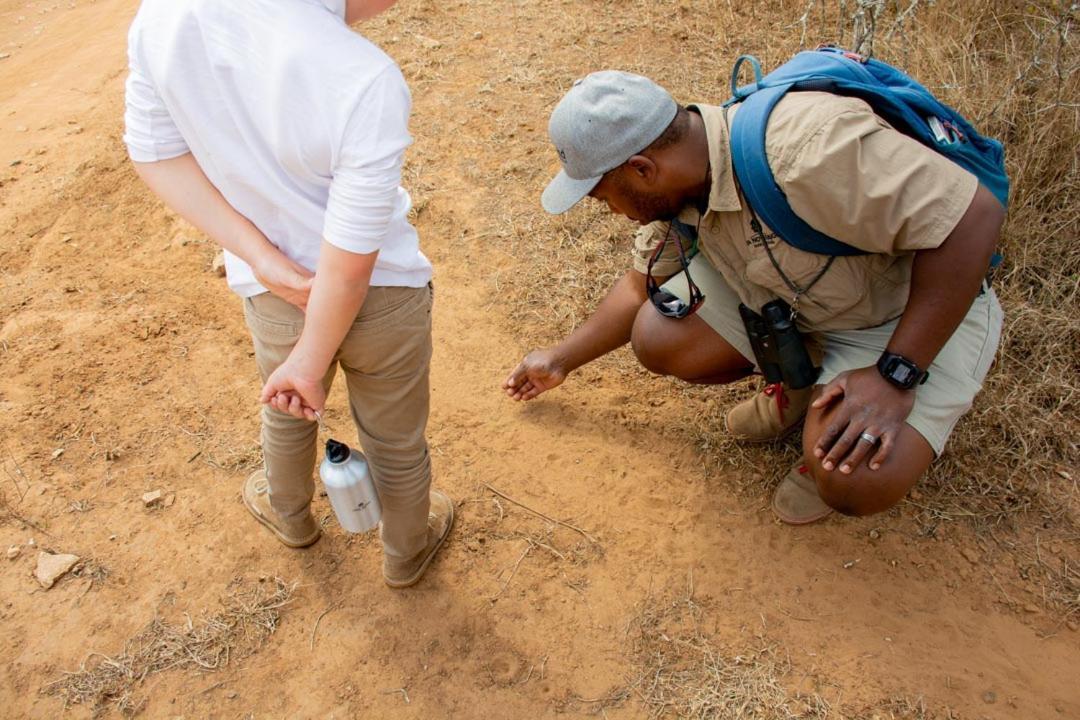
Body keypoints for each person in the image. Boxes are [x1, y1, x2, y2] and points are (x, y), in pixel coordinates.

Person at [504, 71, 1004, 523]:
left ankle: (839, 413)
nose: (608, 210)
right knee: (660, 335)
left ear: (641, 169)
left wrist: (897, 374)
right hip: (798, 296)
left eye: (601, 195)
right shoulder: (686, 178)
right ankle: (803, 384)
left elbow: (972, 219)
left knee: (854, 479)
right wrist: (559, 359)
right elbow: (640, 286)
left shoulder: (806, 150)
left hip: (897, 315)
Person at [124, 0, 453, 586]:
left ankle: (291, 516)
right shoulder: (363, 74)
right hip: (386, 296)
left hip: (276, 293)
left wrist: (263, 261)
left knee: (285, 409)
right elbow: (349, 262)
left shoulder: (163, 17)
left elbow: (155, 152)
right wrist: (312, 357)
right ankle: (405, 551)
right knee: (394, 437)